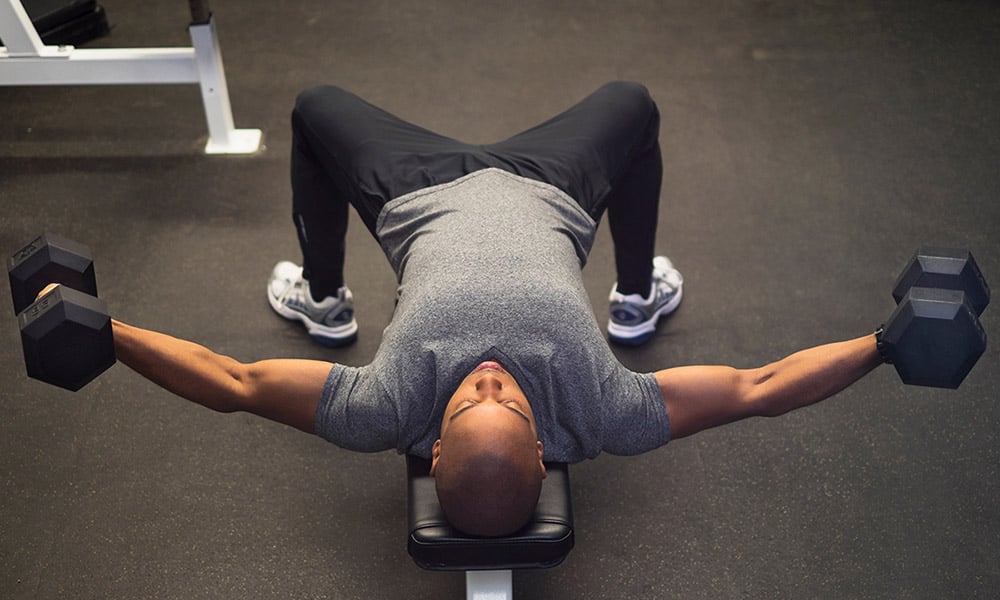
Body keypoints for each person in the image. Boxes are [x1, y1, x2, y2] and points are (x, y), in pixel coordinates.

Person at [108, 82, 884, 537]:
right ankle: (638, 297)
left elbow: (233, 383)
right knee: (635, 105)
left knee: (313, 108)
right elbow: (760, 389)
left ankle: (322, 301)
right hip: (553, 189)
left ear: (432, 452)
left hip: (414, 192)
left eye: (468, 400)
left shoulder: (383, 408)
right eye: (503, 398)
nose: (485, 378)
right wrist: (884, 344)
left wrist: (107, 335)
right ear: (544, 449)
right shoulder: (604, 411)